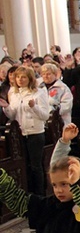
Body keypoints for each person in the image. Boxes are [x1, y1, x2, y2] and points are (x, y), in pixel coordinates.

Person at [3, 66, 50, 195]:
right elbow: (13, 115)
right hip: (20, 133)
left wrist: (34, 107)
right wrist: (6, 107)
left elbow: (45, 115)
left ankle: (40, 194)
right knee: (24, 165)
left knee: (36, 166)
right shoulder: (13, 92)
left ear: (29, 78)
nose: (20, 80)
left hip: (35, 132)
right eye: (18, 77)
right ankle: (29, 194)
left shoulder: (39, 93)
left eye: (23, 77)